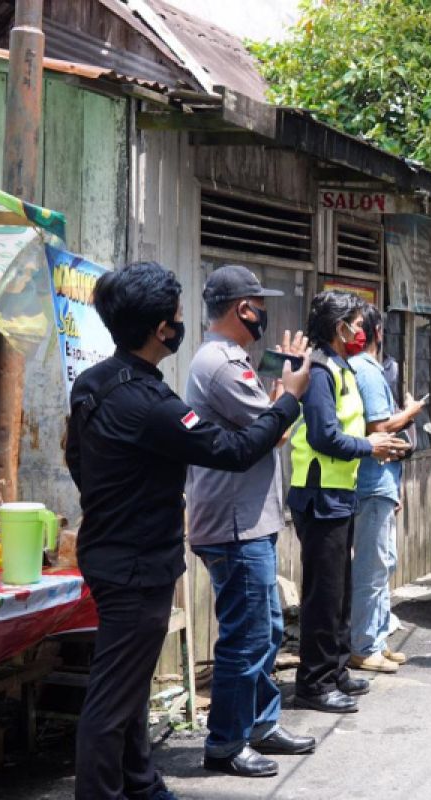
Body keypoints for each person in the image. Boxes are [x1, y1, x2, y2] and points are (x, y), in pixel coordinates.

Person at [66, 261, 313, 800]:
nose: (183, 324)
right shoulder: (150, 404)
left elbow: (76, 461)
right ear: (161, 330)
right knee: (112, 702)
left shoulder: (95, 384)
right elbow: (236, 450)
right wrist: (290, 397)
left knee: (129, 687)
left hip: (113, 553)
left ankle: (143, 785)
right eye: (177, 317)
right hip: (136, 564)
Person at [184, 266, 314, 779]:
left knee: (268, 628)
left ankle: (260, 723)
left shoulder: (229, 360)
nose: (264, 313)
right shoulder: (219, 365)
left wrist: (284, 388)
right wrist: (292, 393)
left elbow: (267, 422)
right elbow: (272, 432)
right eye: (259, 304)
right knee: (246, 636)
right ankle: (226, 742)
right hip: (235, 525)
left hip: (250, 521)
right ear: (243, 308)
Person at [287, 292, 409, 713]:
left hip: (339, 493)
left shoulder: (339, 367)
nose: (361, 330)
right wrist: (369, 445)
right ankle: (314, 684)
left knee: (338, 591)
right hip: (319, 494)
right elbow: (322, 435)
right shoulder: (320, 370)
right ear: (338, 327)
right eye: (355, 323)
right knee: (323, 595)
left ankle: (336, 670)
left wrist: (366, 447)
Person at [348, 303, 426, 673]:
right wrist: (411, 413)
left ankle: (375, 638)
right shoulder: (366, 370)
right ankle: (364, 645)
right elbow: (380, 427)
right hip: (372, 481)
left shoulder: (364, 368)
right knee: (372, 566)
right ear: (380, 333)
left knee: (383, 564)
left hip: (380, 481)